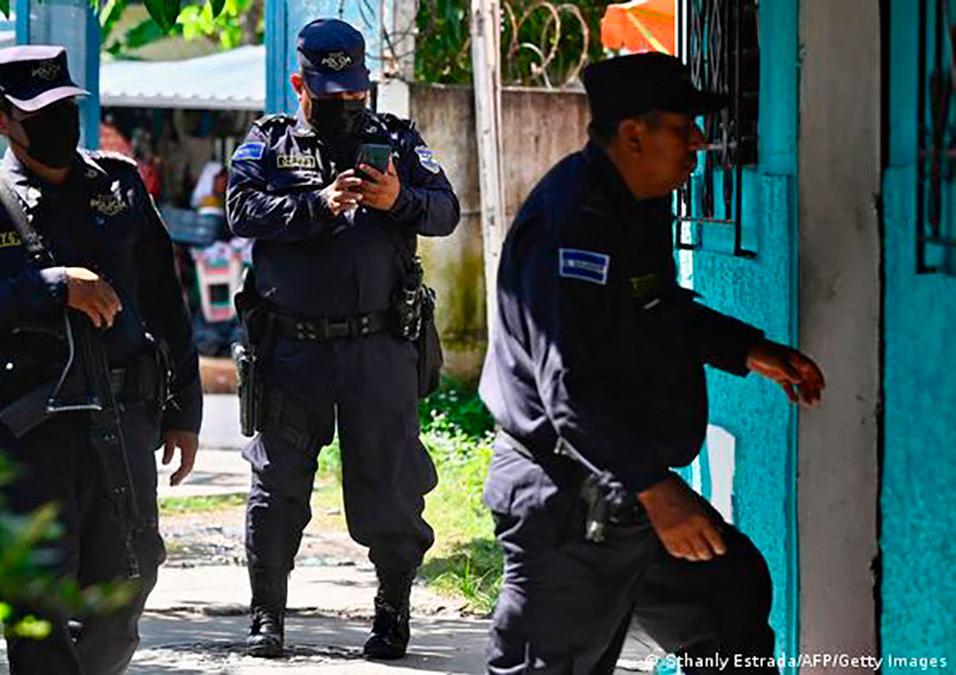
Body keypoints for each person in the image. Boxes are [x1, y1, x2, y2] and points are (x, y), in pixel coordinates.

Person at [477, 52, 826, 674]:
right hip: (567, 496)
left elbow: (656, 308)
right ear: (634, 133)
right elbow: (569, 389)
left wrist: (748, 349)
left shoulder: (635, 202)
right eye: (683, 124)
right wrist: (660, 494)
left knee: (728, 601)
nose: (699, 140)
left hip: (618, 484)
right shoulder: (573, 222)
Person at [0, 45, 202, 674]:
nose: (58, 122)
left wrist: (184, 408)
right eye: (39, 112)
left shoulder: (119, 184)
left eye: (64, 107)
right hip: (29, 432)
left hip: (123, 419)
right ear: (1, 120)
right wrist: (52, 288)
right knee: (34, 593)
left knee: (128, 580)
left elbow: (165, 298)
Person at [225, 17, 460, 661]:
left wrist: (397, 200)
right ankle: (266, 616)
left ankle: (391, 612)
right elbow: (240, 209)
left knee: (390, 487)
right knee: (276, 489)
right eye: (331, 97)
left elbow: (445, 210)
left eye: (356, 94)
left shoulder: (395, 140)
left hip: (378, 347)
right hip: (291, 350)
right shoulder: (270, 143)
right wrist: (317, 206)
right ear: (300, 83)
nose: (347, 106)